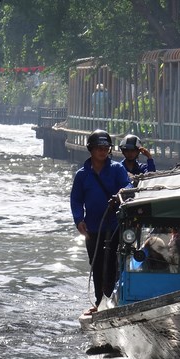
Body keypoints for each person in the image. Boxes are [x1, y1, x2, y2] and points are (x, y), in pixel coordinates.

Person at [70, 129, 131, 303]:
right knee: (96, 264)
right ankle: (98, 301)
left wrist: (121, 193)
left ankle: (112, 299)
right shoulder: (82, 175)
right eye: (99, 147)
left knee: (112, 263)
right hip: (92, 227)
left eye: (106, 147)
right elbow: (76, 200)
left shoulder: (117, 169)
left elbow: (127, 186)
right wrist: (78, 219)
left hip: (114, 225)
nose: (103, 151)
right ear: (91, 149)